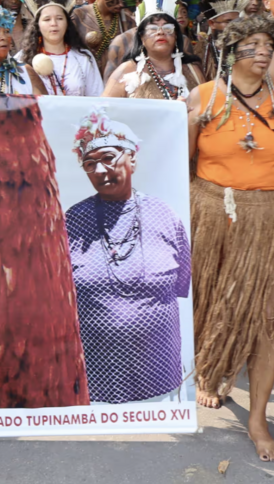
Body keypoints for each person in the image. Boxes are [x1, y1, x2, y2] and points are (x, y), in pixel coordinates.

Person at [184, 14, 274, 462]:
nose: (263, 52)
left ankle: (258, 417)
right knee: (215, 302)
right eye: (253, 43)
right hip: (213, 212)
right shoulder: (203, 96)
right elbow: (174, 162)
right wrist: (190, 124)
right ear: (231, 49)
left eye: (268, 44)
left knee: (270, 316)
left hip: (272, 216)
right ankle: (212, 372)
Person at [65, 110, 190, 403]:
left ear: (132, 158)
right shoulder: (72, 220)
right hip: (96, 384)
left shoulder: (165, 215)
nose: (99, 170)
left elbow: (182, 282)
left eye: (108, 158)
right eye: (89, 163)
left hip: (160, 378)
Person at [105, 0, 205, 100]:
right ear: (142, 38)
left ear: (176, 36)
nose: (160, 32)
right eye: (153, 29)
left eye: (168, 28)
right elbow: (102, 110)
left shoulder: (193, 70)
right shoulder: (126, 70)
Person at [18, 0, 102, 96]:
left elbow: (96, 99)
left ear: (67, 23)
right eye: (47, 19)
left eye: (59, 18)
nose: (54, 23)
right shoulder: (21, 60)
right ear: (38, 25)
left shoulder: (83, 58)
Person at [73, 0, 138, 77]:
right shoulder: (79, 16)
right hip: (85, 83)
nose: (122, 4)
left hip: (115, 83)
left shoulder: (128, 23)